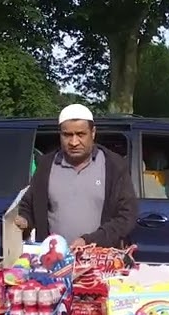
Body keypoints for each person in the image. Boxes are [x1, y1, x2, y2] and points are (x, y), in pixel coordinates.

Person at [15, 104, 138, 249]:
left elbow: (127, 216)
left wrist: (90, 240)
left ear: (93, 133)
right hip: (54, 259)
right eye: (67, 135)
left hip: (99, 259)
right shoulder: (46, 165)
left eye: (80, 134)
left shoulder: (114, 165)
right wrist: (24, 220)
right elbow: (29, 204)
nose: (74, 142)